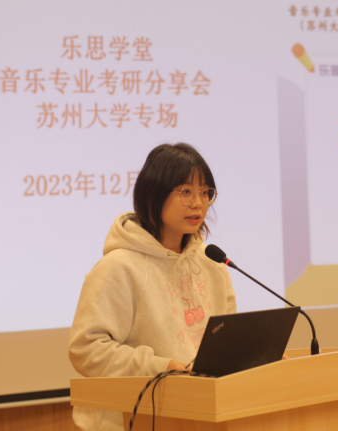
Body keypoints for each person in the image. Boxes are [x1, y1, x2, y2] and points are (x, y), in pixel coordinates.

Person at [69, 143, 237, 431]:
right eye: (185, 191)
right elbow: (86, 349)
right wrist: (162, 367)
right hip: (133, 420)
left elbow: (224, 341)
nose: (198, 203)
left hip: (200, 415)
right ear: (154, 194)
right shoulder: (118, 267)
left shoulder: (213, 264)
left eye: (205, 192)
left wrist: (255, 358)